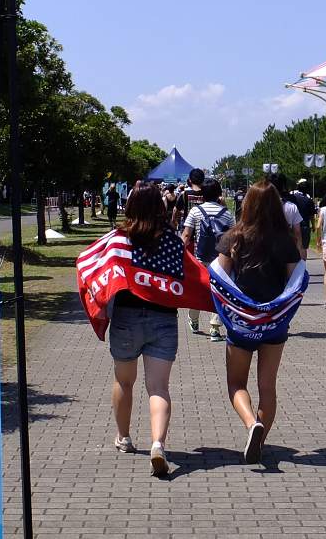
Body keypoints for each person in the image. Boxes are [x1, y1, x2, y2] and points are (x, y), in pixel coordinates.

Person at [212, 180, 302, 463]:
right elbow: (294, 281)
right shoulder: (285, 241)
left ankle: (252, 424)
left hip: (241, 323)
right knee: (267, 386)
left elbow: (220, 279)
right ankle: (259, 442)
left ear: (246, 204)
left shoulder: (233, 238)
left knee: (236, 383)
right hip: (274, 323)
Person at [107, 184, 182, 477]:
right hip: (163, 318)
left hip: (126, 318)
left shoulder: (118, 240)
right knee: (159, 388)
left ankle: (124, 437)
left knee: (124, 382)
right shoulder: (173, 242)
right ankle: (157, 444)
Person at [181, 178, 233, 341]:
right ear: (219, 194)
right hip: (221, 258)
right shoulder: (227, 214)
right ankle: (215, 328)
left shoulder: (195, 211)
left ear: (202, 194)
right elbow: (233, 238)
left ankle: (194, 320)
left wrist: (179, 253)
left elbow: (187, 235)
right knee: (219, 291)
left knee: (197, 289)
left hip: (199, 257)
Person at [271, 174, 304, 255]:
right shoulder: (291, 206)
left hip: (266, 246)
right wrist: (299, 247)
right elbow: (297, 231)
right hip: (286, 246)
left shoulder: (260, 205)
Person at [288, 179, 316, 260]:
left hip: (293, 225)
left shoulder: (292, 197)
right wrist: (313, 225)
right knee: (303, 247)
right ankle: (302, 267)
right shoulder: (309, 200)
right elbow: (312, 215)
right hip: (305, 226)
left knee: (293, 246)